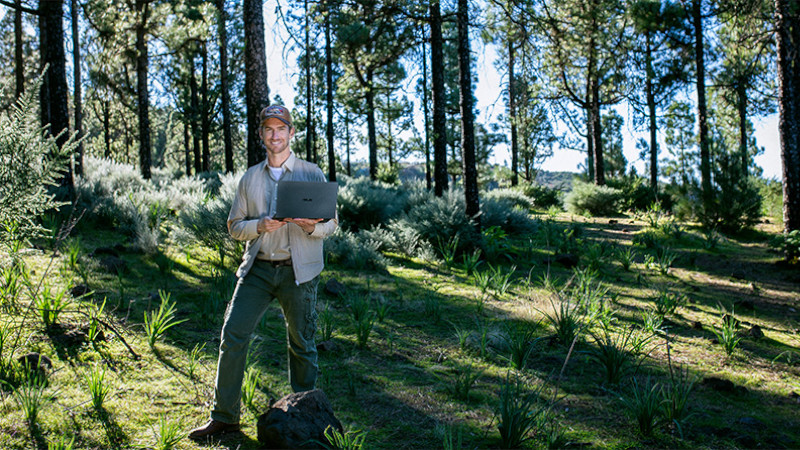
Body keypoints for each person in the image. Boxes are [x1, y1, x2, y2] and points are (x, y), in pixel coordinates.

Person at [189, 105, 338, 439]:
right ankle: (224, 417)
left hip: (299, 272)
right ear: (261, 135)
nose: (275, 135)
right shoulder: (250, 178)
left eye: (281, 128)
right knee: (233, 335)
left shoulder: (310, 173)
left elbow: (332, 224)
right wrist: (259, 225)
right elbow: (234, 226)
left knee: (302, 343)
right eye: (268, 129)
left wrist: (311, 226)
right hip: (257, 270)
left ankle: (306, 420)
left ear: (291, 133)